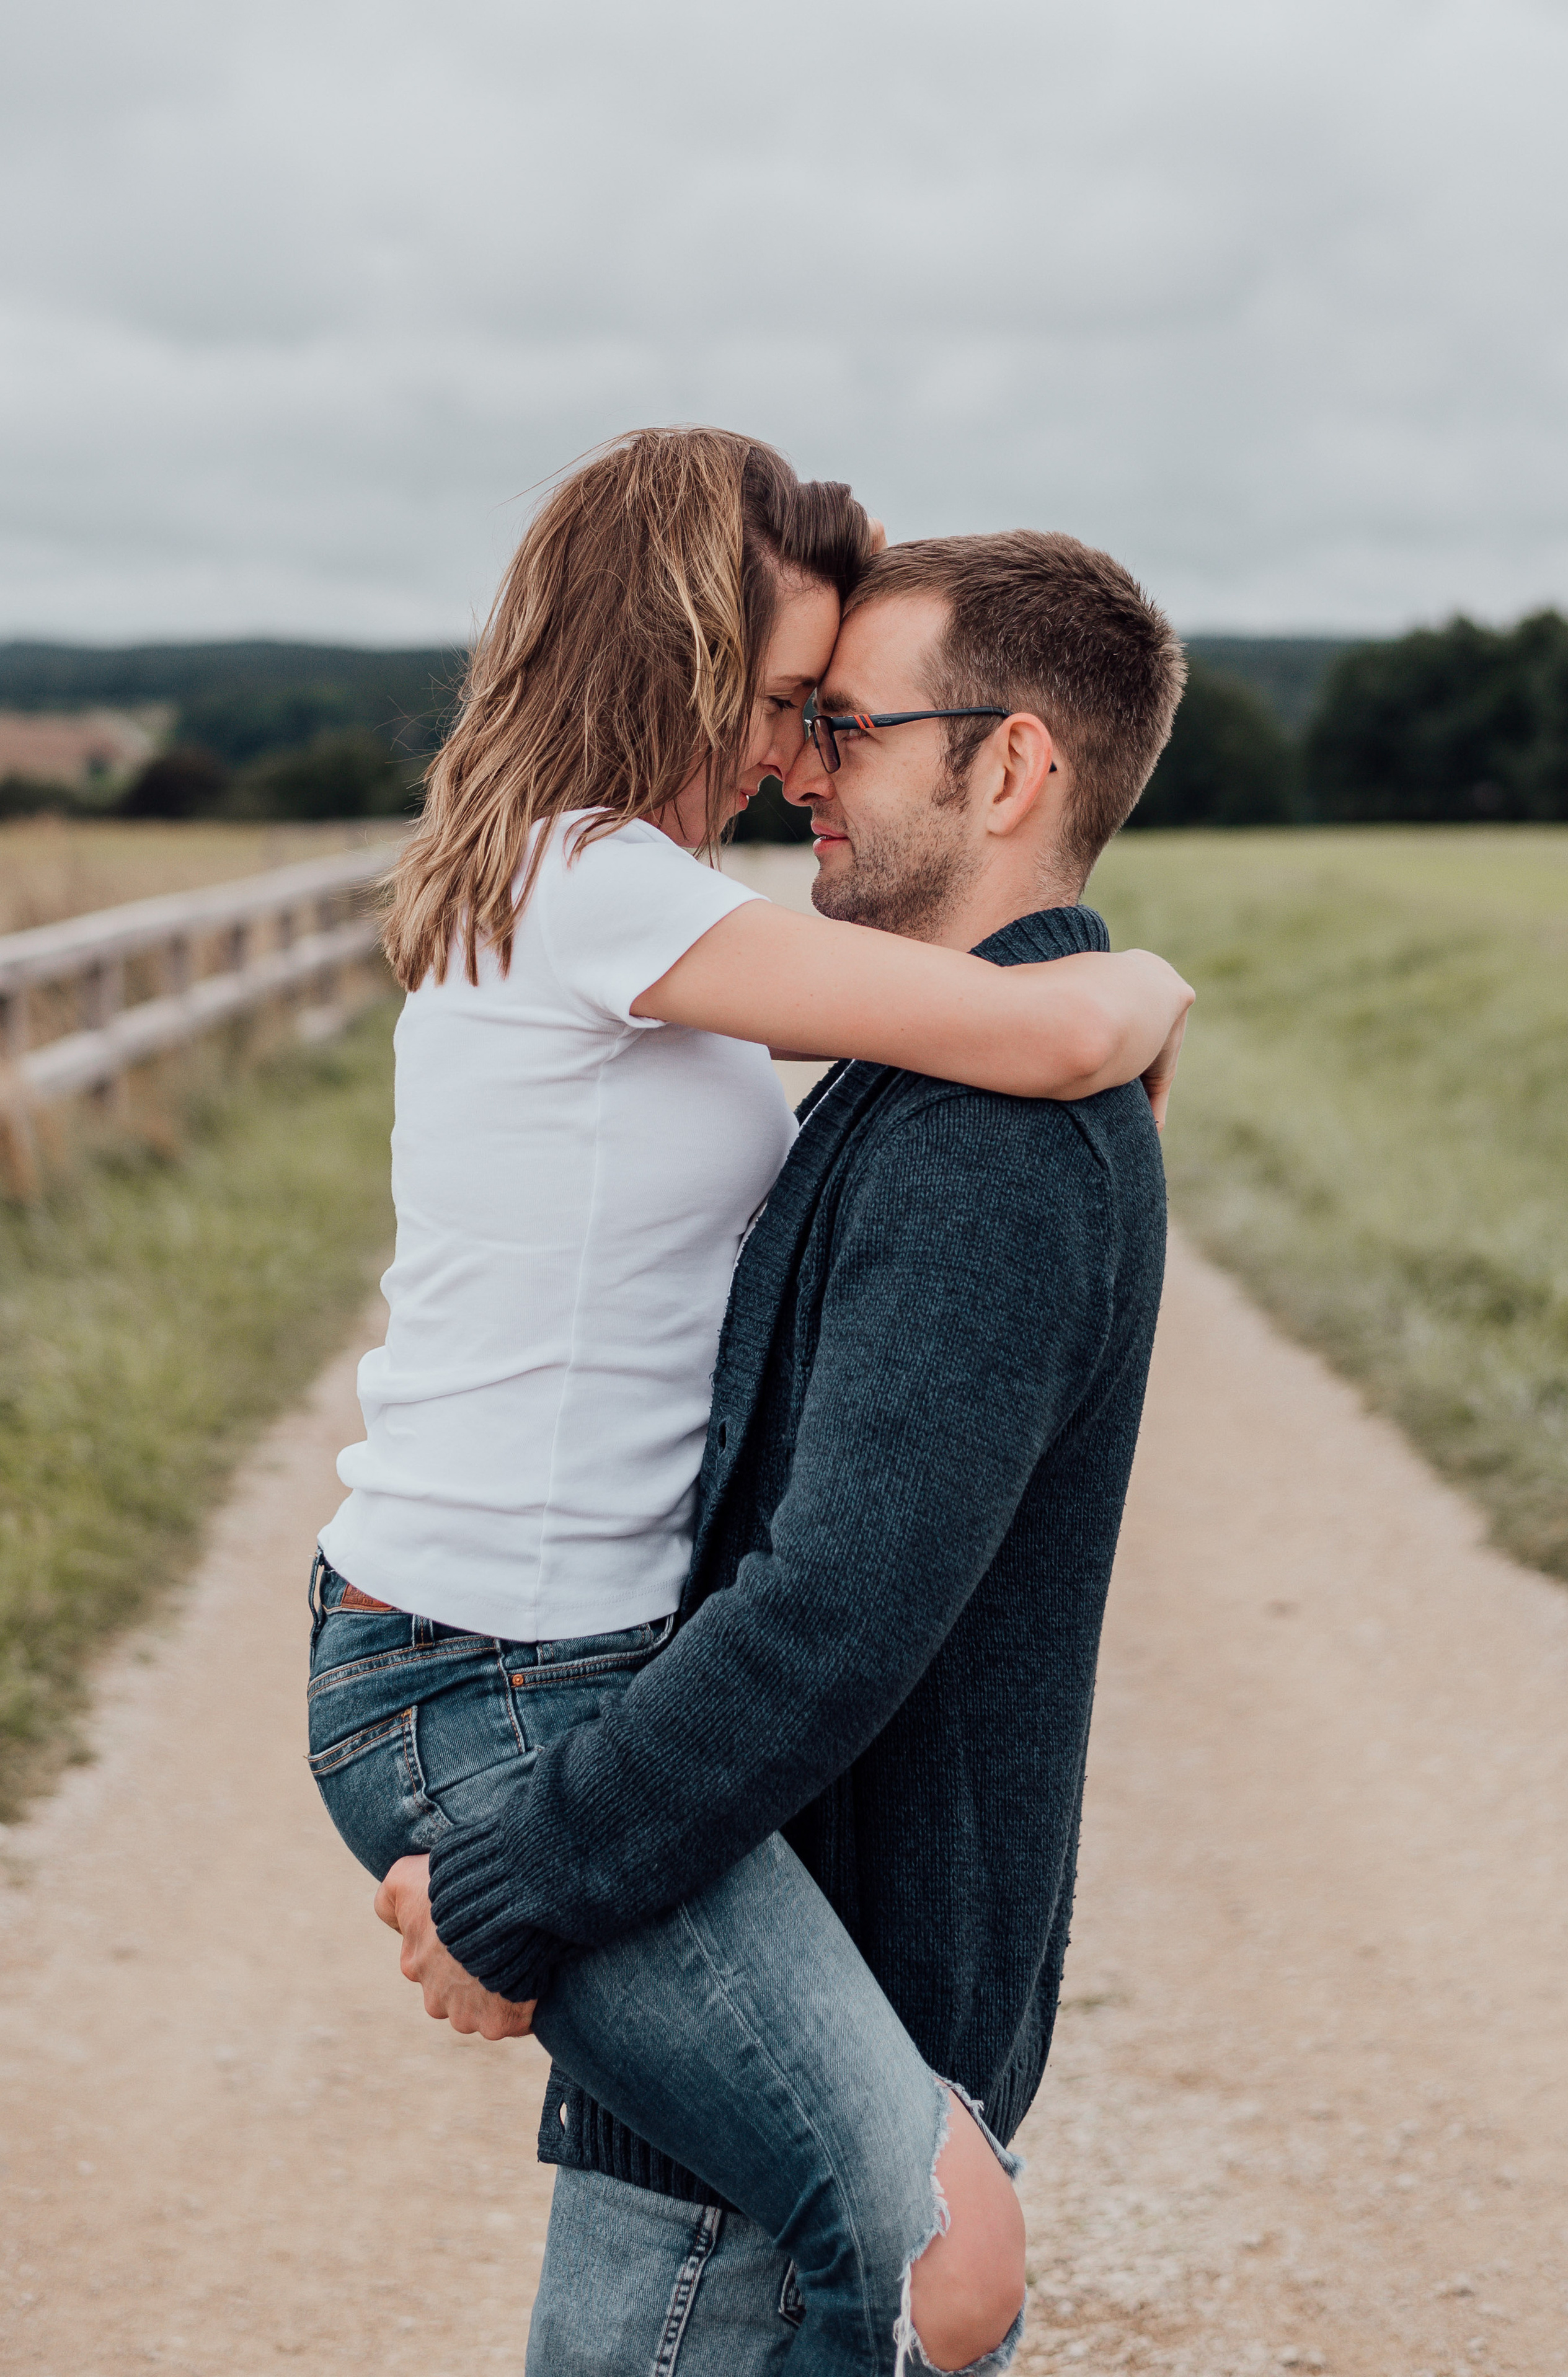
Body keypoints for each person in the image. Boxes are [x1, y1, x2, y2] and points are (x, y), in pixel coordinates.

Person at [308, 430, 1192, 2374]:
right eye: (792, 704)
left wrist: (533, 1884)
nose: (801, 763)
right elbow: (1050, 1026)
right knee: (937, 2258)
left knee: (889, 2258)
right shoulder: (592, 882)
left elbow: (843, 1580)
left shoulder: (641, 918)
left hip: (566, 1690)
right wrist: (1142, 991)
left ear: (1013, 764)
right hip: (488, 1678)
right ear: (677, 661)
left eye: (841, 720)